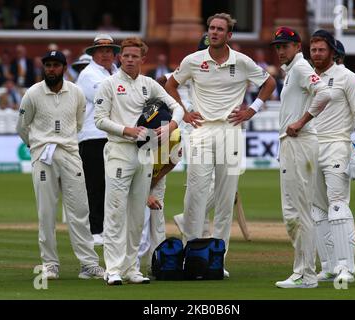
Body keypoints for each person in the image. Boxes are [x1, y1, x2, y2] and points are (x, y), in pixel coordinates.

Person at [165, 13, 276, 273]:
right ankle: (190, 256)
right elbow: (170, 85)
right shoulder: (193, 60)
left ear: (229, 35)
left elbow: (268, 82)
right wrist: (184, 111)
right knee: (196, 193)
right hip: (201, 130)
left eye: (219, 29)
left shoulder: (243, 62)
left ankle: (217, 259)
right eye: (211, 28)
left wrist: (253, 109)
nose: (213, 33)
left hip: (231, 130)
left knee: (226, 199)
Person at [94, 37, 184, 285]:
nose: (130, 60)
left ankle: (131, 268)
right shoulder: (109, 85)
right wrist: (126, 130)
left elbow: (177, 108)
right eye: (126, 56)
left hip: (145, 153)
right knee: (115, 212)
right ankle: (112, 269)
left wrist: (171, 126)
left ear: (143, 59)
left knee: (136, 215)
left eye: (135, 56)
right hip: (119, 150)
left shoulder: (150, 85)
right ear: (119, 57)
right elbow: (99, 120)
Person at [16, 50, 104, 280]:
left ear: (64, 68)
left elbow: (78, 123)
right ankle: (50, 264)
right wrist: (37, 147)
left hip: (70, 154)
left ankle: (89, 264)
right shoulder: (33, 93)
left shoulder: (75, 92)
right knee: (46, 212)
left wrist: (63, 143)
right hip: (43, 157)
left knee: (80, 211)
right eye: (48, 65)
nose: (51, 69)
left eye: (56, 65)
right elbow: (22, 127)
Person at [271, 27, 331, 289]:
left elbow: (325, 93)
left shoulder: (300, 68)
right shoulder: (292, 70)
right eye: (278, 46)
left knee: (297, 212)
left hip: (300, 142)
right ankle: (304, 271)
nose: (281, 50)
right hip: (293, 144)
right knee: (293, 211)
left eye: (286, 45)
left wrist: (301, 121)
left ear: (297, 46)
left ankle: (305, 274)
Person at [309, 30, 355, 284]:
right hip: (310, 147)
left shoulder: (347, 76)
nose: (316, 54)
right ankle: (329, 266)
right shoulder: (307, 77)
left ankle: (346, 267)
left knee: (337, 206)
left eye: (321, 49)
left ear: (332, 52)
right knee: (317, 211)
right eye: (313, 49)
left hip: (337, 145)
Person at [76, 34, 120, 246]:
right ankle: (94, 231)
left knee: (113, 183)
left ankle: (108, 228)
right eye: (101, 51)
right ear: (93, 54)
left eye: (109, 51)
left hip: (113, 135)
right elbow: (108, 100)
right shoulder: (88, 75)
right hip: (93, 136)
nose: (105, 54)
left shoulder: (115, 72)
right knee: (96, 185)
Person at [137, 105, 182, 276]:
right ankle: (128, 265)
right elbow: (136, 171)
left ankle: (156, 264)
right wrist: (144, 193)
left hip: (157, 175)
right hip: (136, 174)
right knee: (137, 220)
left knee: (157, 220)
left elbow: (173, 161)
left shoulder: (175, 135)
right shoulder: (141, 133)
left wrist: (153, 183)